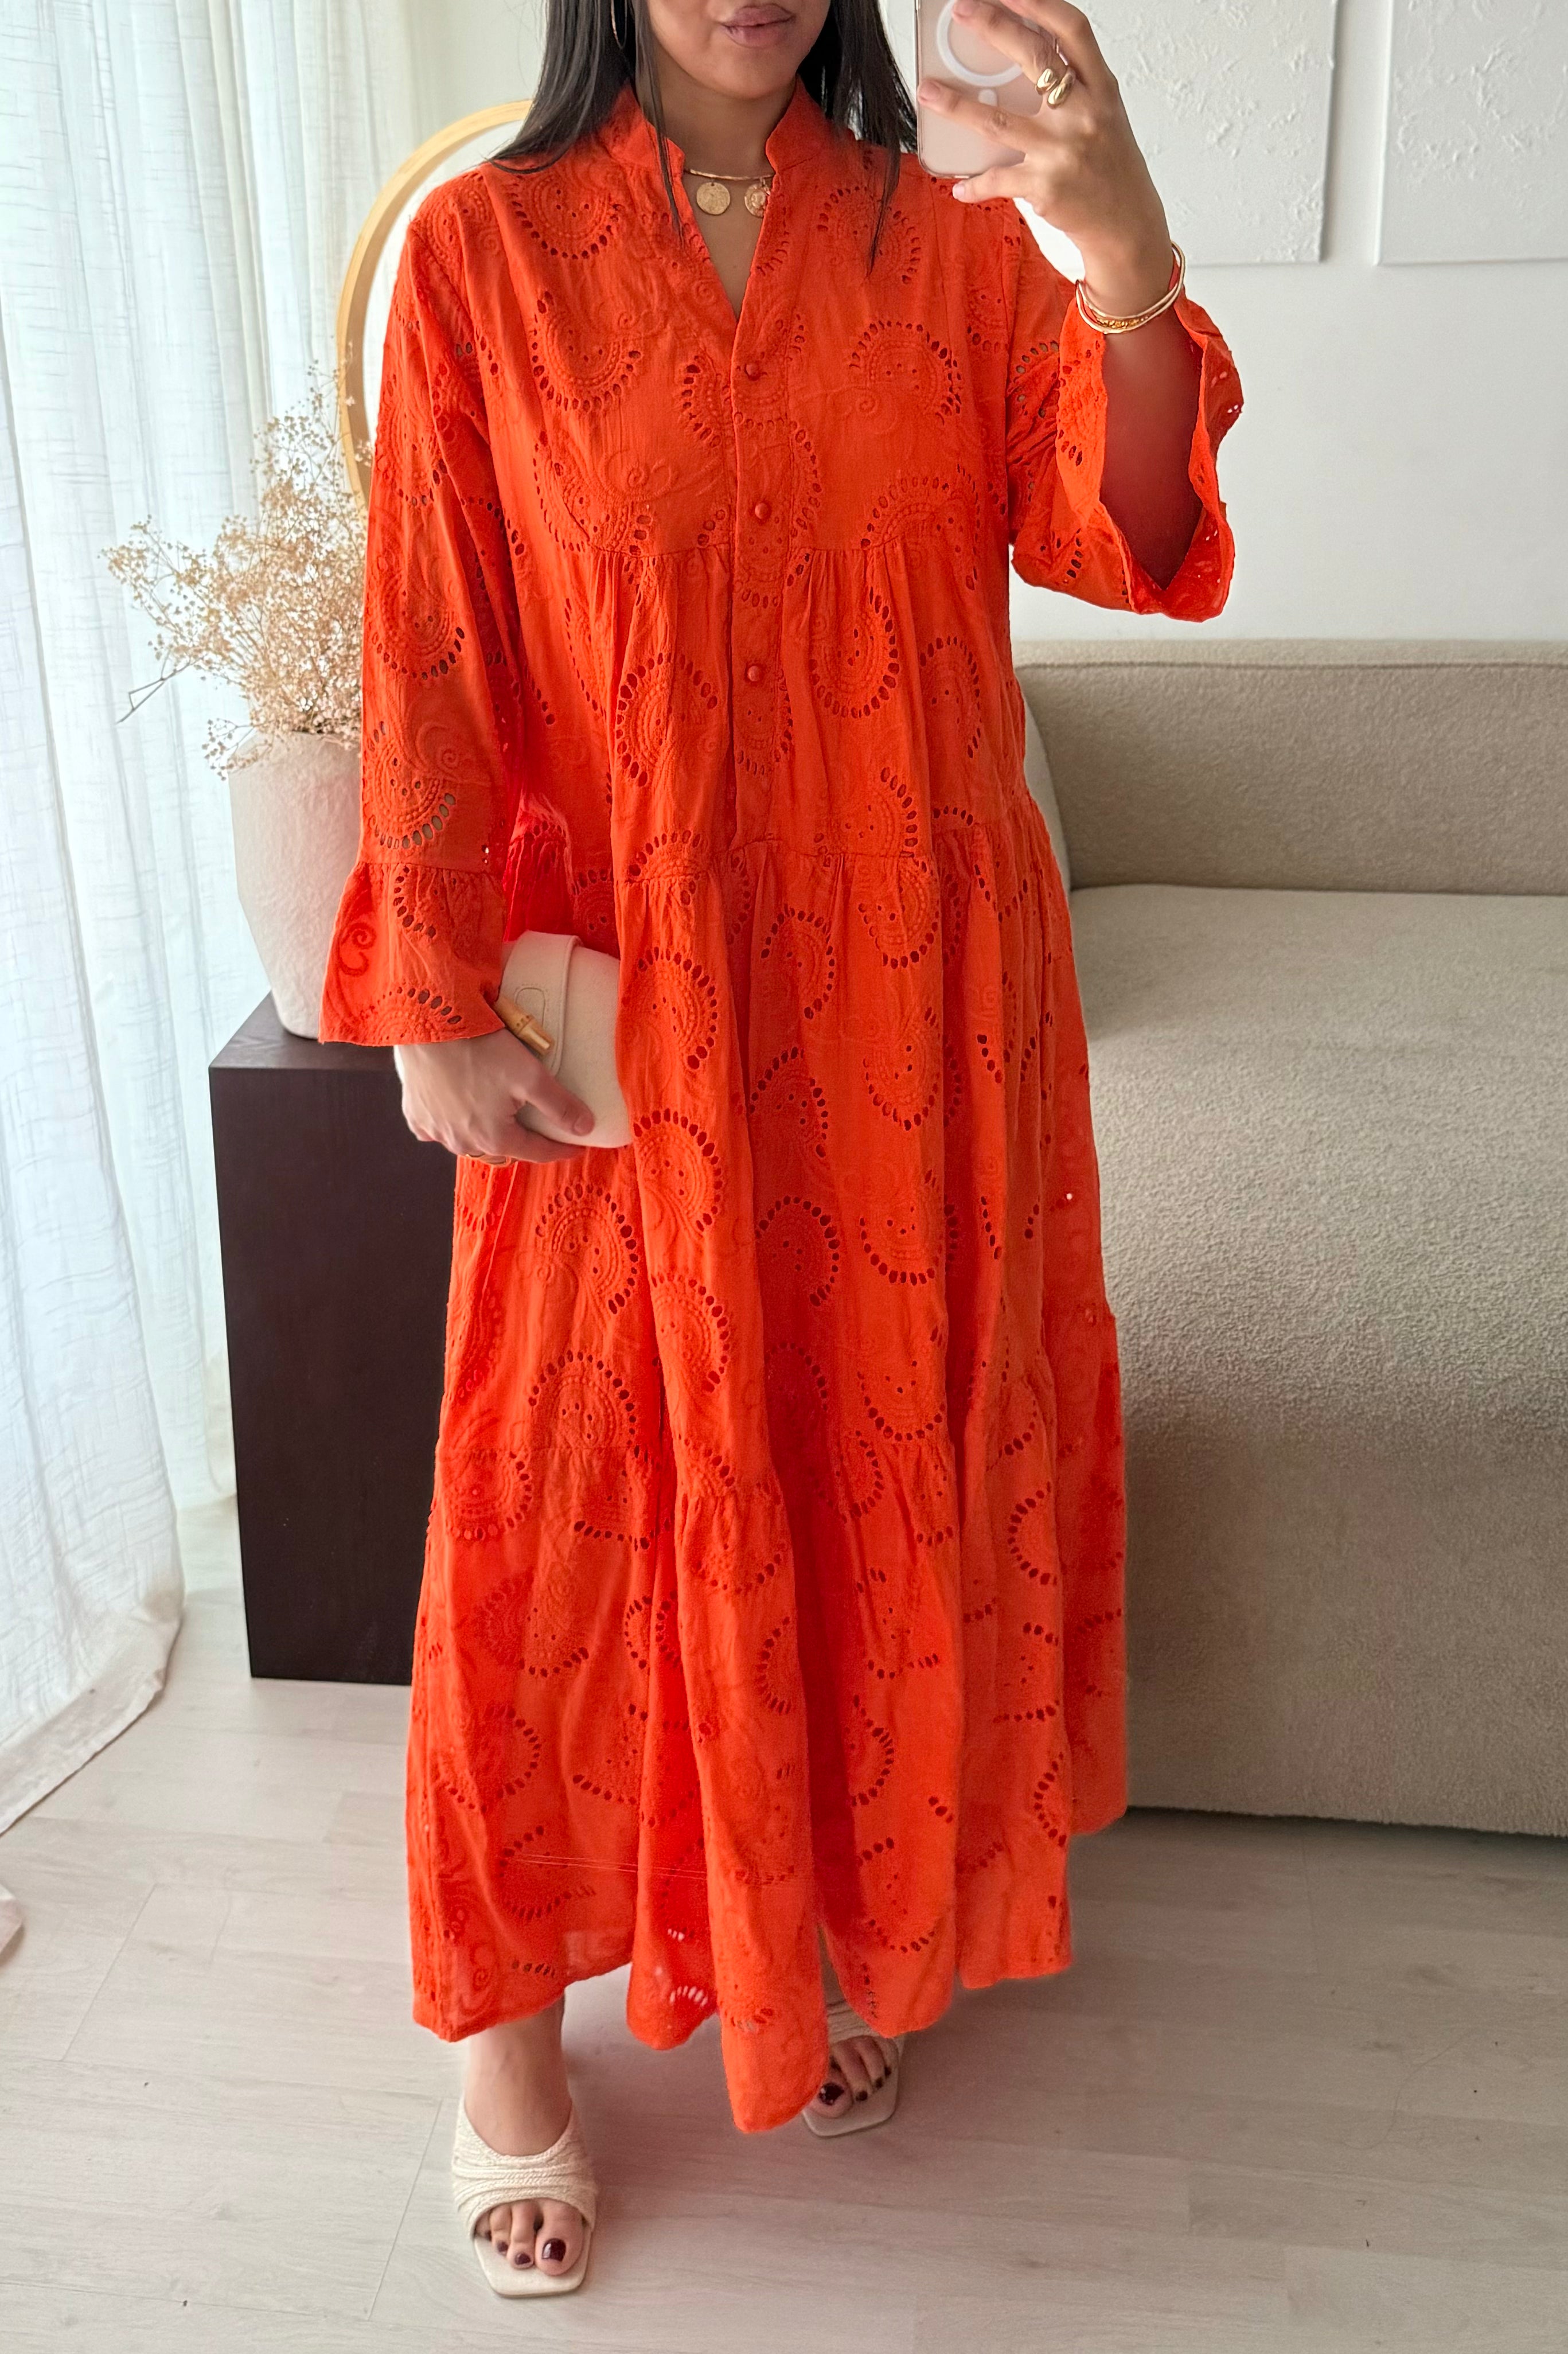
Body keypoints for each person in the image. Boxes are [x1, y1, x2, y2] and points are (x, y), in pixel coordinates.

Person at [319, 0, 1241, 2297]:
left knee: (857, 1463)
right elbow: (428, 633)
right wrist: (429, 991)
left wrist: (1124, 249)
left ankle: (797, 1928)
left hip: (916, 1001)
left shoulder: (949, 241)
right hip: (638, 1012)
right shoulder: (488, 258)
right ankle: (503, 2060)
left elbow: (1131, 540)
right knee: (553, 1510)